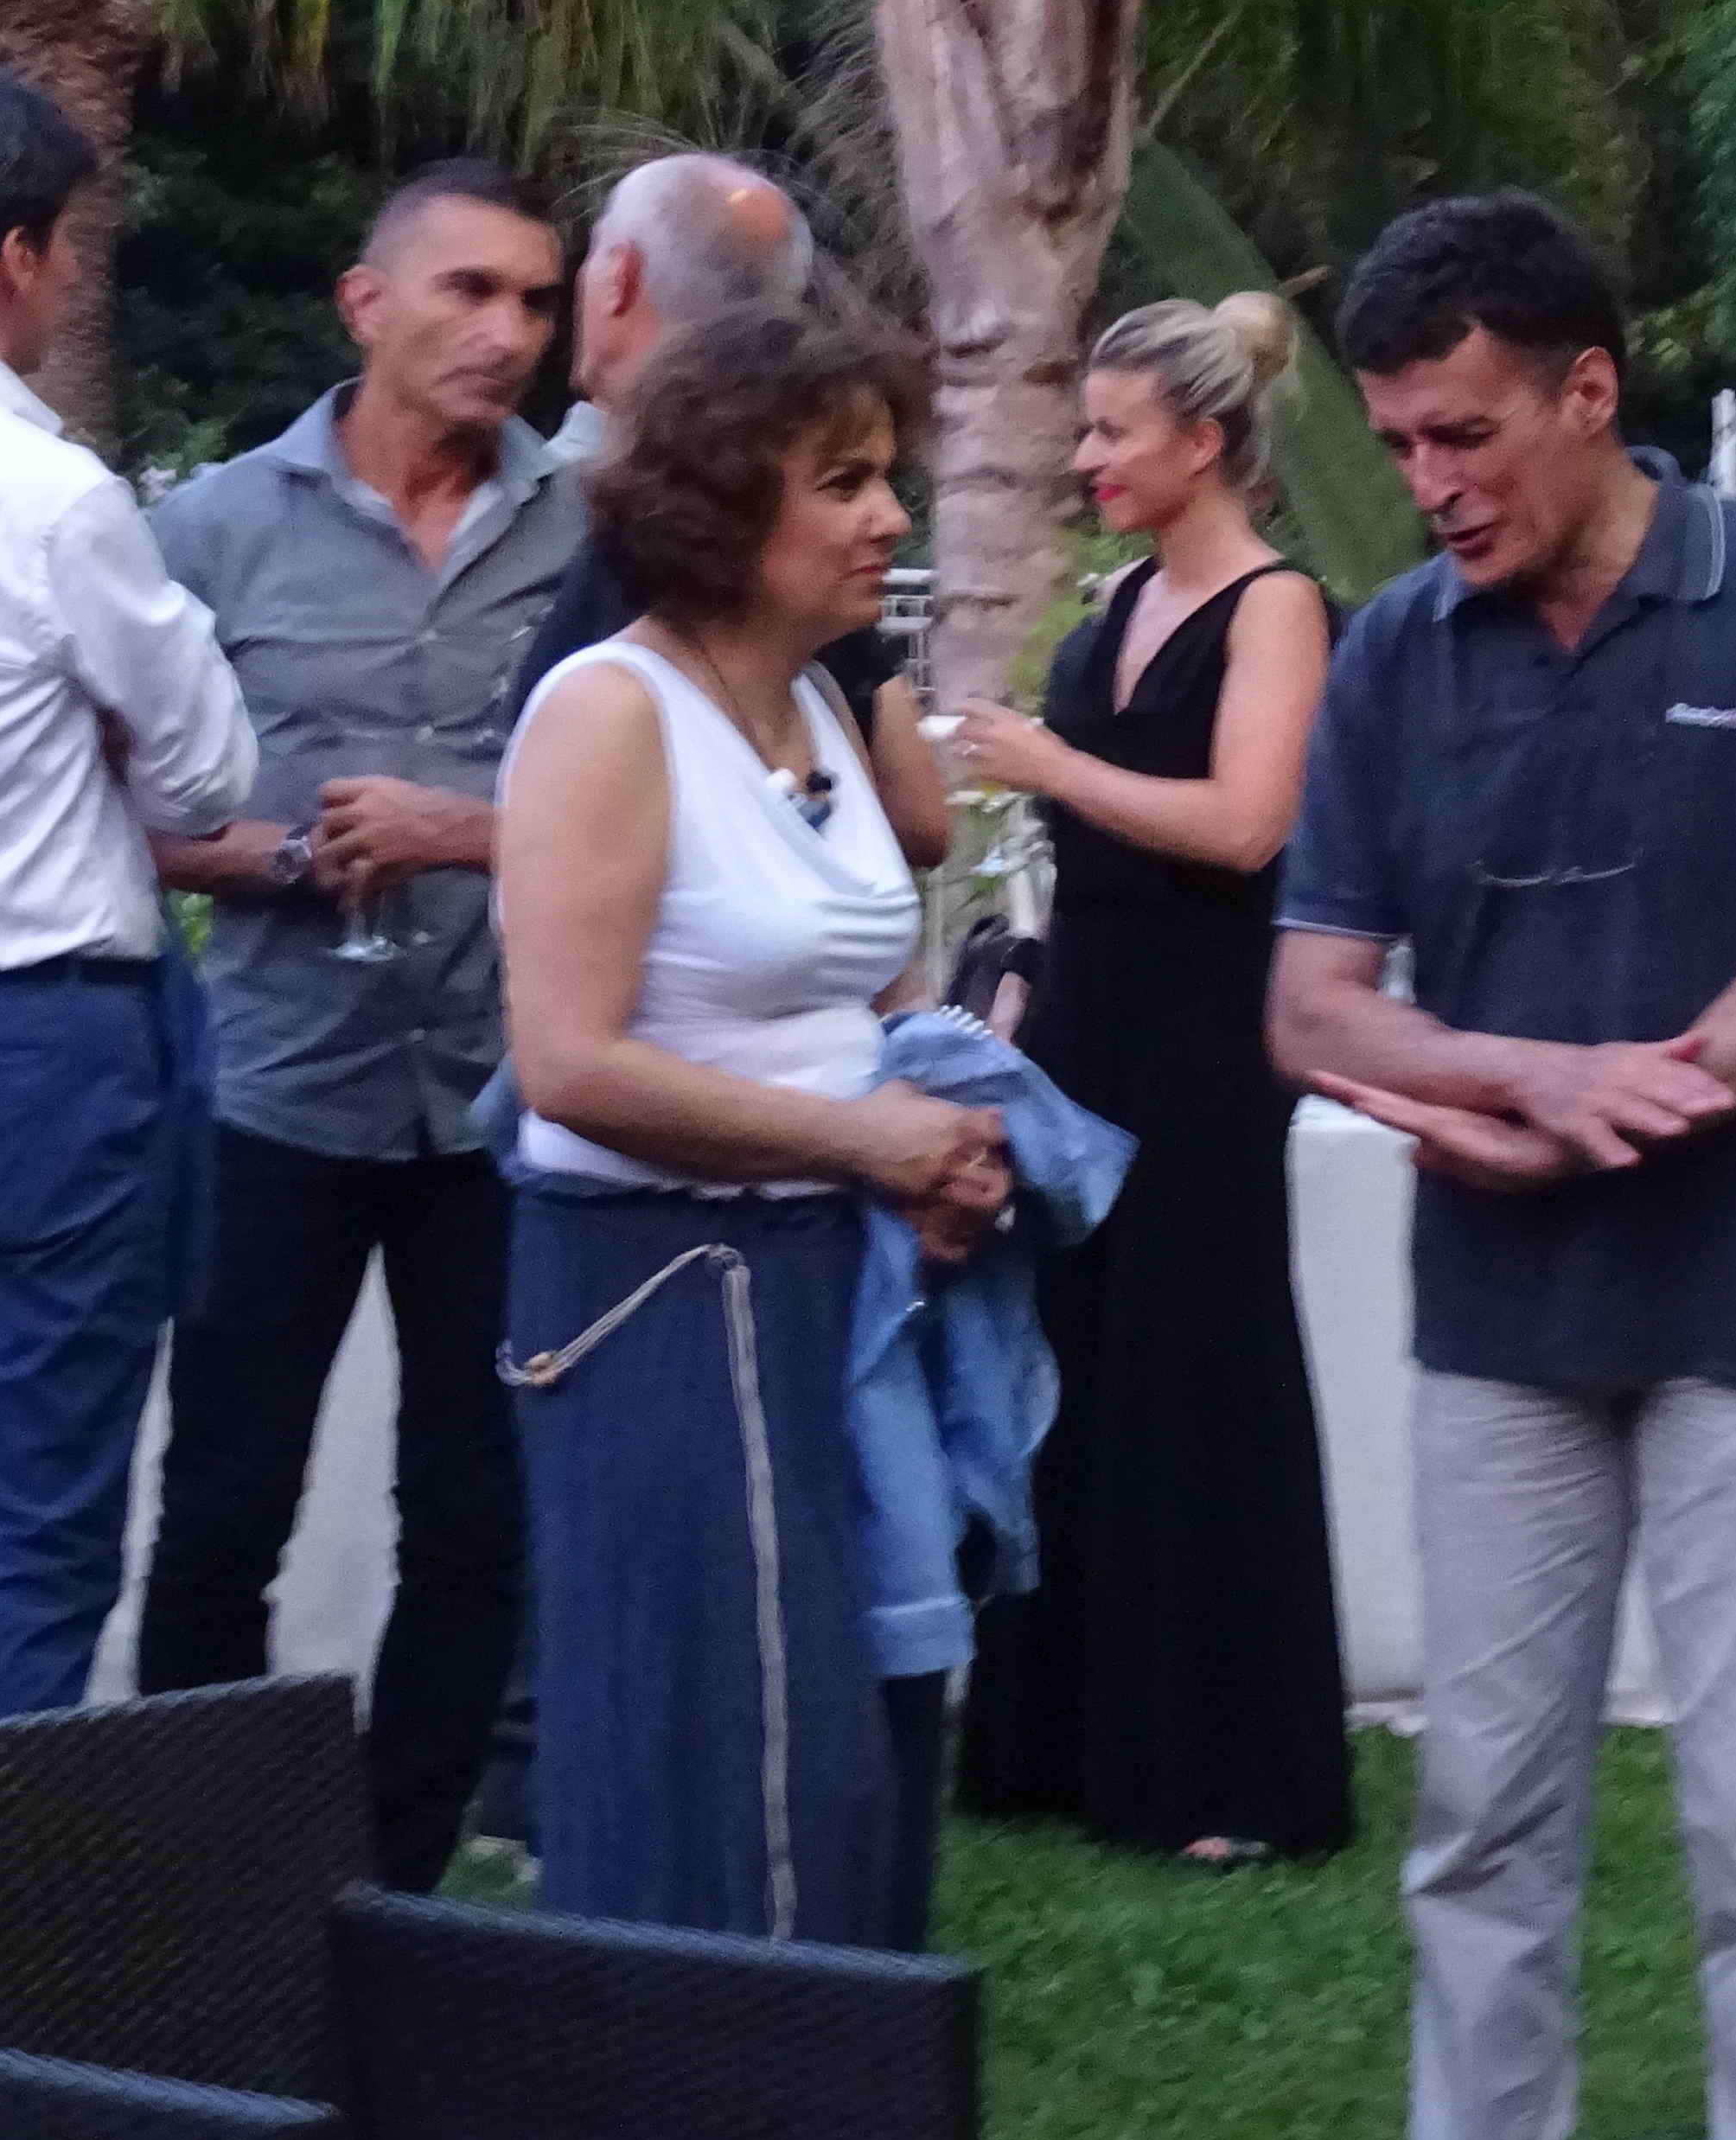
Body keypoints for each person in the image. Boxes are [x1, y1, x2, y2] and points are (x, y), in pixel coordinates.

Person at [1267, 191, 1736, 2140]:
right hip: (1500, 1313)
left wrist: (1644, 1088)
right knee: (1481, 1805)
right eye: (1397, 443)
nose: (1427, 483)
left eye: (1461, 435)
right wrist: (1520, 1083)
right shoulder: (1391, 652)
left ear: (1588, 392)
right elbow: (1311, 1003)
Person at [492, 307, 1008, 1949]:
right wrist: (862, 1144)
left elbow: (859, 982)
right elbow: (566, 1063)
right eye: (843, 482)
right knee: (713, 1735)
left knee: (858, 1719)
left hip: (833, 1275)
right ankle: (705, 2092)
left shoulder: (822, 710)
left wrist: (947, 1132)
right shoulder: (608, 710)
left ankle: (841, 2075)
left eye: (889, 477)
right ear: (723, 506)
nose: (889, 518)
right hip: (660, 1294)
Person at [133, 162, 579, 1890]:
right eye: (469, 289)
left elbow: (661, 793)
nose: (507, 331)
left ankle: (393, 1879)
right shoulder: (212, 527)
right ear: (365, 303)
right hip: (275, 1090)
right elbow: (124, 808)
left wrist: (466, 830)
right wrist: (287, 856)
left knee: (474, 1515)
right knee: (224, 1503)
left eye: (536, 299)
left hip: (502, 1095)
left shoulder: (592, 529)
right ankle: (212, 1871)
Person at [0, 55, 258, 1735]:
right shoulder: (42, 492)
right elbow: (210, 779)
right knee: (31, 1528)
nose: (79, 271)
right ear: (15, 255)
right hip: (25, 1040)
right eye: (73, 240)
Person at [947, 296, 1352, 1866]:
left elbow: (1248, 824)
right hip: (1087, 1014)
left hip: (1209, 1033)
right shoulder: (1119, 596)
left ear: (1205, 439)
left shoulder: (1277, 606)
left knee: (1197, 1365)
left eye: (1116, 432)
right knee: (1074, 1359)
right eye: (1088, 431)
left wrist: (1049, 764)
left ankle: (1223, 1764)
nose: (1090, 458)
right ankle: (1065, 1735)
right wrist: (1024, 983)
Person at [504, 153, 949, 875]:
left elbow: (914, 821)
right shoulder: (800, 565)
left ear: (618, 277)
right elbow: (919, 819)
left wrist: (447, 833)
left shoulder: (690, 548)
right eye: (849, 484)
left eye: (859, 482)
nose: (890, 520)